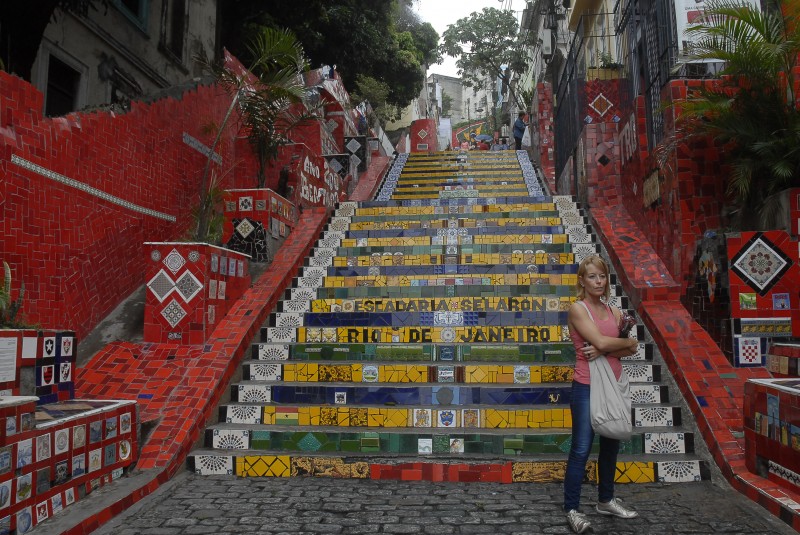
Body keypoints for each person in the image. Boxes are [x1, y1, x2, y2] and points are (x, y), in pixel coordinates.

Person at [563, 255, 640, 534]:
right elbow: (603, 341)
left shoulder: (614, 311)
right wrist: (615, 344)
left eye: (602, 276)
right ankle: (572, 508)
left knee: (611, 444)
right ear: (582, 280)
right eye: (592, 276)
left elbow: (631, 348)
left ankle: (606, 500)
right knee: (581, 448)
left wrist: (607, 347)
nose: (598, 281)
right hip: (587, 384)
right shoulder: (578, 309)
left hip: (615, 382)